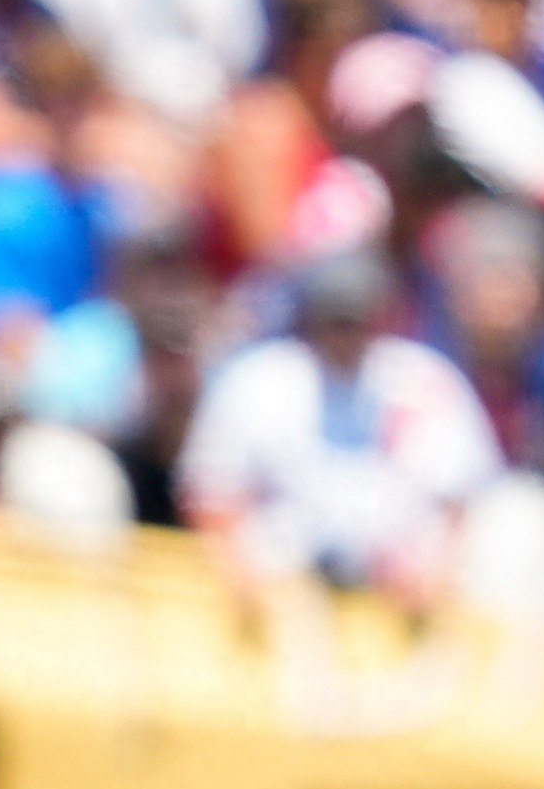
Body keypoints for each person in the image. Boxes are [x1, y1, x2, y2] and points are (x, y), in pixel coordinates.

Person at [173, 247, 501, 607]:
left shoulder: (425, 380)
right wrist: (239, 572)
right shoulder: (262, 379)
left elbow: (467, 495)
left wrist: (437, 570)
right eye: (336, 321)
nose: (347, 336)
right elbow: (211, 489)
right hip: (284, 594)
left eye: (358, 321)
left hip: (400, 600)